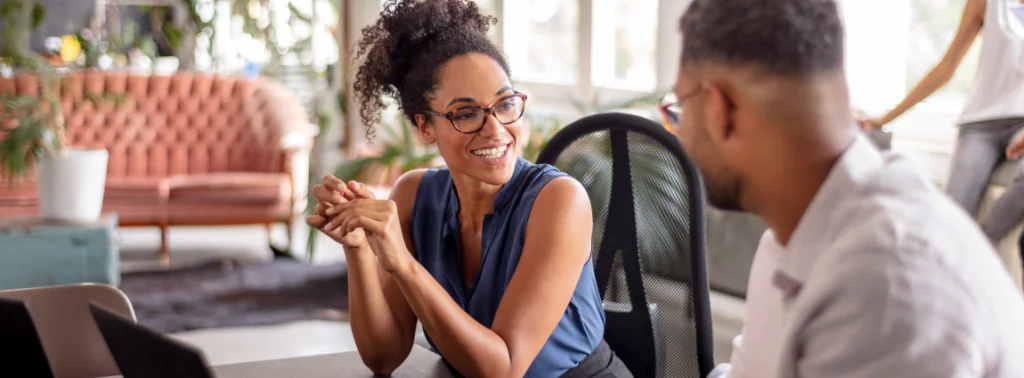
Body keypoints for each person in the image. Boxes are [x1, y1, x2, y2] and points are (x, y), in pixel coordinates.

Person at [660, 0, 1024, 377]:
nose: (679, 133)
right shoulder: (791, 239)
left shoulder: (885, 288)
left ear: (722, 109)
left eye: (677, 111)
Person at [306, 1, 630, 377]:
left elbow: (503, 370)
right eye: (466, 113)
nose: (495, 129)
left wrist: (404, 266)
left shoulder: (560, 201)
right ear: (425, 127)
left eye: (505, 104)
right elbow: (383, 356)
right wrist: (359, 248)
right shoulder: (415, 196)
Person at [859, 0, 1024, 248]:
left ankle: (980, 250)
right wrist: (887, 117)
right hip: (980, 125)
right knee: (952, 215)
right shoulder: (986, 3)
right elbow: (945, 69)